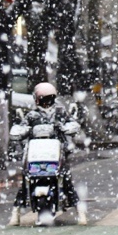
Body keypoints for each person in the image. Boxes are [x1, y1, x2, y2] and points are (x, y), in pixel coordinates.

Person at [10, 82, 86, 225]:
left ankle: (80, 212)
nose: (46, 103)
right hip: (36, 154)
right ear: (37, 99)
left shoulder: (60, 112)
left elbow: (73, 124)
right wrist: (21, 131)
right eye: (44, 99)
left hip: (56, 153)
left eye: (49, 99)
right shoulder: (32, 115)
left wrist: (64, 127)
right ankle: (16, 212)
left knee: (66, 180)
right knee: (26, 180)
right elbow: (20, 128)